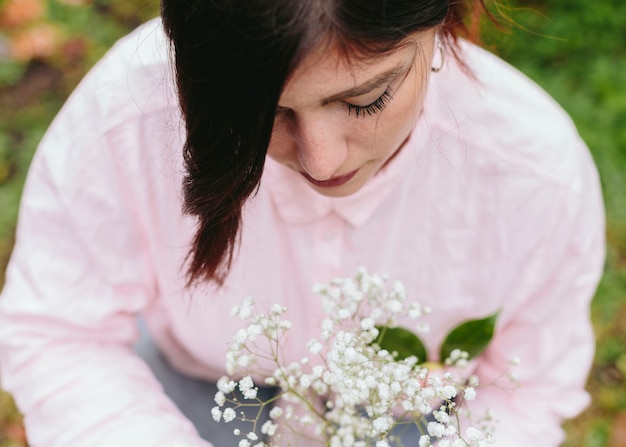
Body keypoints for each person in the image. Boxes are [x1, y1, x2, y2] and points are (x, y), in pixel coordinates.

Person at [0, 0, 605, 446]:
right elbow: (59, 332)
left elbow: (526, 386)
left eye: (365, 99)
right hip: (190, 402)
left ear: (440, 22)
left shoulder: (532, 169)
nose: (322, 158)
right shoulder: (130, 117)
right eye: (266, 110)